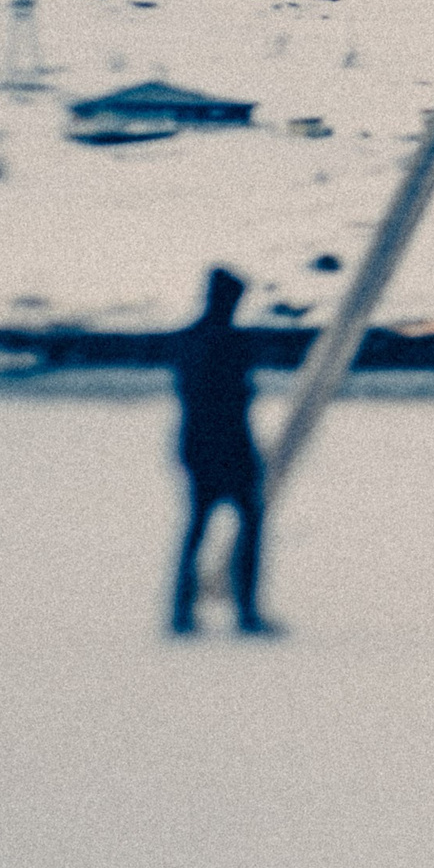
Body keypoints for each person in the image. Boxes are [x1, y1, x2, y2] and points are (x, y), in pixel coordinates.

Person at [167, 266, 278, 636]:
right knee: (247, 523)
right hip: (229, 446)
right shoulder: (231, 342)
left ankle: (181, 611)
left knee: (198, 526)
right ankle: (245, 611)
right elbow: (233, 397)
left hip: (198, 445)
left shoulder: (188, 339)